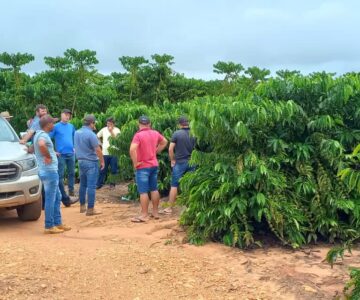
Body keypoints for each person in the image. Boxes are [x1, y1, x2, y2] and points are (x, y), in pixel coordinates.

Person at [33, 115, 71, 234]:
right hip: (49, 171)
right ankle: (49, 226)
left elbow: (32, 148)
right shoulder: (43, 136)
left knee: (57, 197)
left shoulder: (37, 134)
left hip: (46, 171)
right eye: (52, 123)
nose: (54, 124)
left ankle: (57, 222)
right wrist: (48, 156)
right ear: (48, 124)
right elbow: (41, 144)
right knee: (51, 198)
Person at [129, 116, 168, 222]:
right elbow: (164, 141)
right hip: (154, 165)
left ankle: (144, 214)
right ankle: (155, 212)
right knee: (154, 189)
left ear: (139, 124)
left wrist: (135, 163)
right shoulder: (155, 133)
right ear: (149, 124)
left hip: (143, 166)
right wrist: (155, 151)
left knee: (143, 191)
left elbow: (132, 150)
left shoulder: (138, 135)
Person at [160, 116, 195, 215]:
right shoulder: (194, 133)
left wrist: (172, 160)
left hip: (180, 162)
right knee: (191, 184)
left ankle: (169, 208)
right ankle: (190, 207)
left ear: (179, 124)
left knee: (174, 185)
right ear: (188, 123)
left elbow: (170, 149)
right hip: (193, 161)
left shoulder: (177, 133)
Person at [74, 115, 105, 216]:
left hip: (80, 161)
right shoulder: (91, 134)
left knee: (83, 184)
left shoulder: (77, 132)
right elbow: (97, 149)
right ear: (92, 123)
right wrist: (102, 161)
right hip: (90, 162)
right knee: (91, 186)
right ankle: (90, 209)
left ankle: (82, 206)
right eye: (94, 123)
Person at [49, 109, 77, 207]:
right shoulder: (56, 127)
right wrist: (53, 151)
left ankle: (71, 191)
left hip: (71, 153)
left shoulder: (71, 126)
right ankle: (61, 193)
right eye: (65, 114)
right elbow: (48, 138)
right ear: (61, 115)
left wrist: (75, 147)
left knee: (72, 173)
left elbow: (75, 136)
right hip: (61, 154)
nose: (67, 116)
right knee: (60, 174)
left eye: (68, 115)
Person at [96, 117, 120, 189]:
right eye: (107, 123)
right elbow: (97, 136)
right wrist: (100, 144)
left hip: (114, 153)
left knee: (114, 169)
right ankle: (99, 184)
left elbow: (117, 140)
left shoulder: (117, 130)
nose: (108, 125)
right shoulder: (103, 129)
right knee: (103, 169)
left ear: (113, 124)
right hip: (105, 153)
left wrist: (111, 131)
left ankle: (112, 184)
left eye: (110, 124)